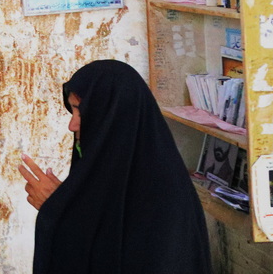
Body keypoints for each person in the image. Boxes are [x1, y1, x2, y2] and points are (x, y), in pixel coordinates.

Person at [19, 59, 212, 274]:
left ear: (113, 118)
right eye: (72, 112)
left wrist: (59, 214)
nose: (72, 125)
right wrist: (65, 208)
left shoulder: (164, 197)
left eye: (81, 112)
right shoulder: (115, 175)